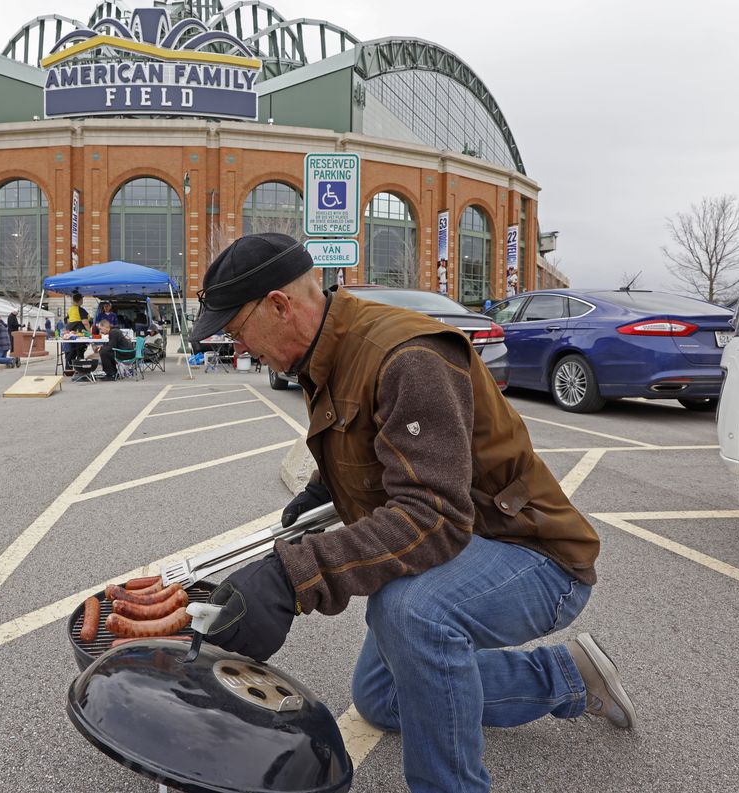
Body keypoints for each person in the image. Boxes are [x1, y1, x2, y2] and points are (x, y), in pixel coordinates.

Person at [192, 233, 633, 793]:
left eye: (237, 330)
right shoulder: (327, 353)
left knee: (409, 612)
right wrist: (320, 485)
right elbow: (373, 440)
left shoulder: (409, 356)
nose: (240, 346)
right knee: (382, 697)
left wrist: (294, 575)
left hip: (536, 556)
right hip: (469, 543)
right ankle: (566, 676)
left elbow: (433, 518)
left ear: (279, 305)